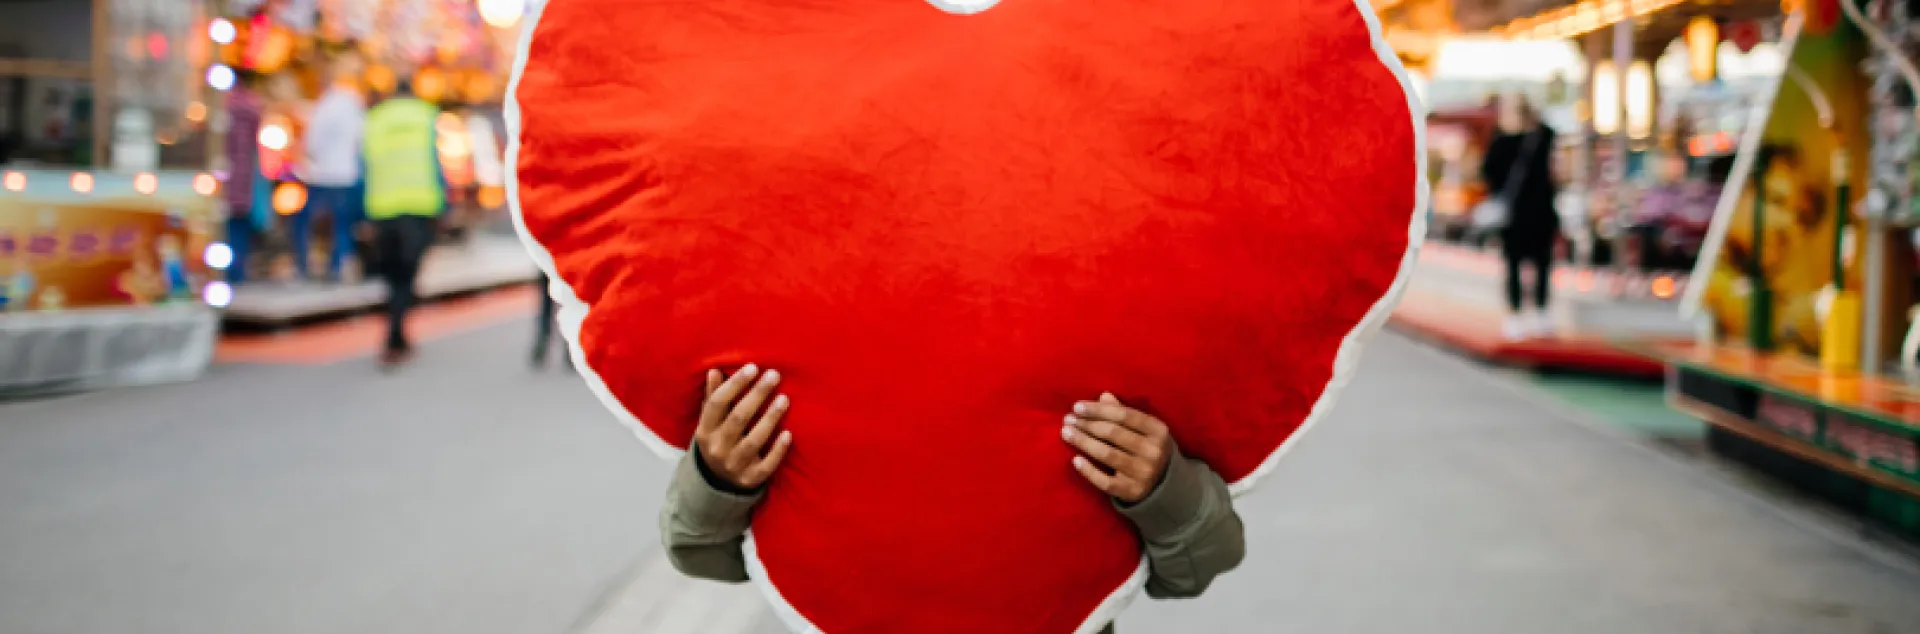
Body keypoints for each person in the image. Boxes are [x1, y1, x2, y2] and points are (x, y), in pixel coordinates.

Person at [660, 365, 1246, 633]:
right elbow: (697, 551)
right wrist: (719, 477)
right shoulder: (814, 362)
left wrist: (1161, 485)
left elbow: (1197, 567)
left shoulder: (1088, 350)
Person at [362, 79, 447, 369]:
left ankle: (396, 333)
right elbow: (437, 163)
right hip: (419, 205)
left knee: (391, 274)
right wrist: (445, 204)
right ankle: (396, 333)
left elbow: (365, 165)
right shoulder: (426, 116)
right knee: (408, 275)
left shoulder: (375, 119)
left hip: (382, 208)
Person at [1480, 94, 1559, 340]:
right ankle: (1528, 313)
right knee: (1529, 264)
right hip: (1525, 213)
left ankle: (1527, 314)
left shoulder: (1534, 138)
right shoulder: (1523, 138)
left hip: (1528, 213)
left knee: (1528, 264)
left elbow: (1488, 174)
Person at [293, 56, 368, 283]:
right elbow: (361, 139)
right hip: (347, 174)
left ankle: (305, 265)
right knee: (342, 224)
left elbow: (312, 143)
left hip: (323, 175)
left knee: (308, 221)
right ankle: (338, 263)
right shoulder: (352, 104)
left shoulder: (323, 108)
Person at [222, 74, 267, 284]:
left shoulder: (224, 107)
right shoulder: (252, 108)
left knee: (227, 229)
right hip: (246, 177)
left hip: (226, 178)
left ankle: (229, 273)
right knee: (240, 229)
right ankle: (238, 273)